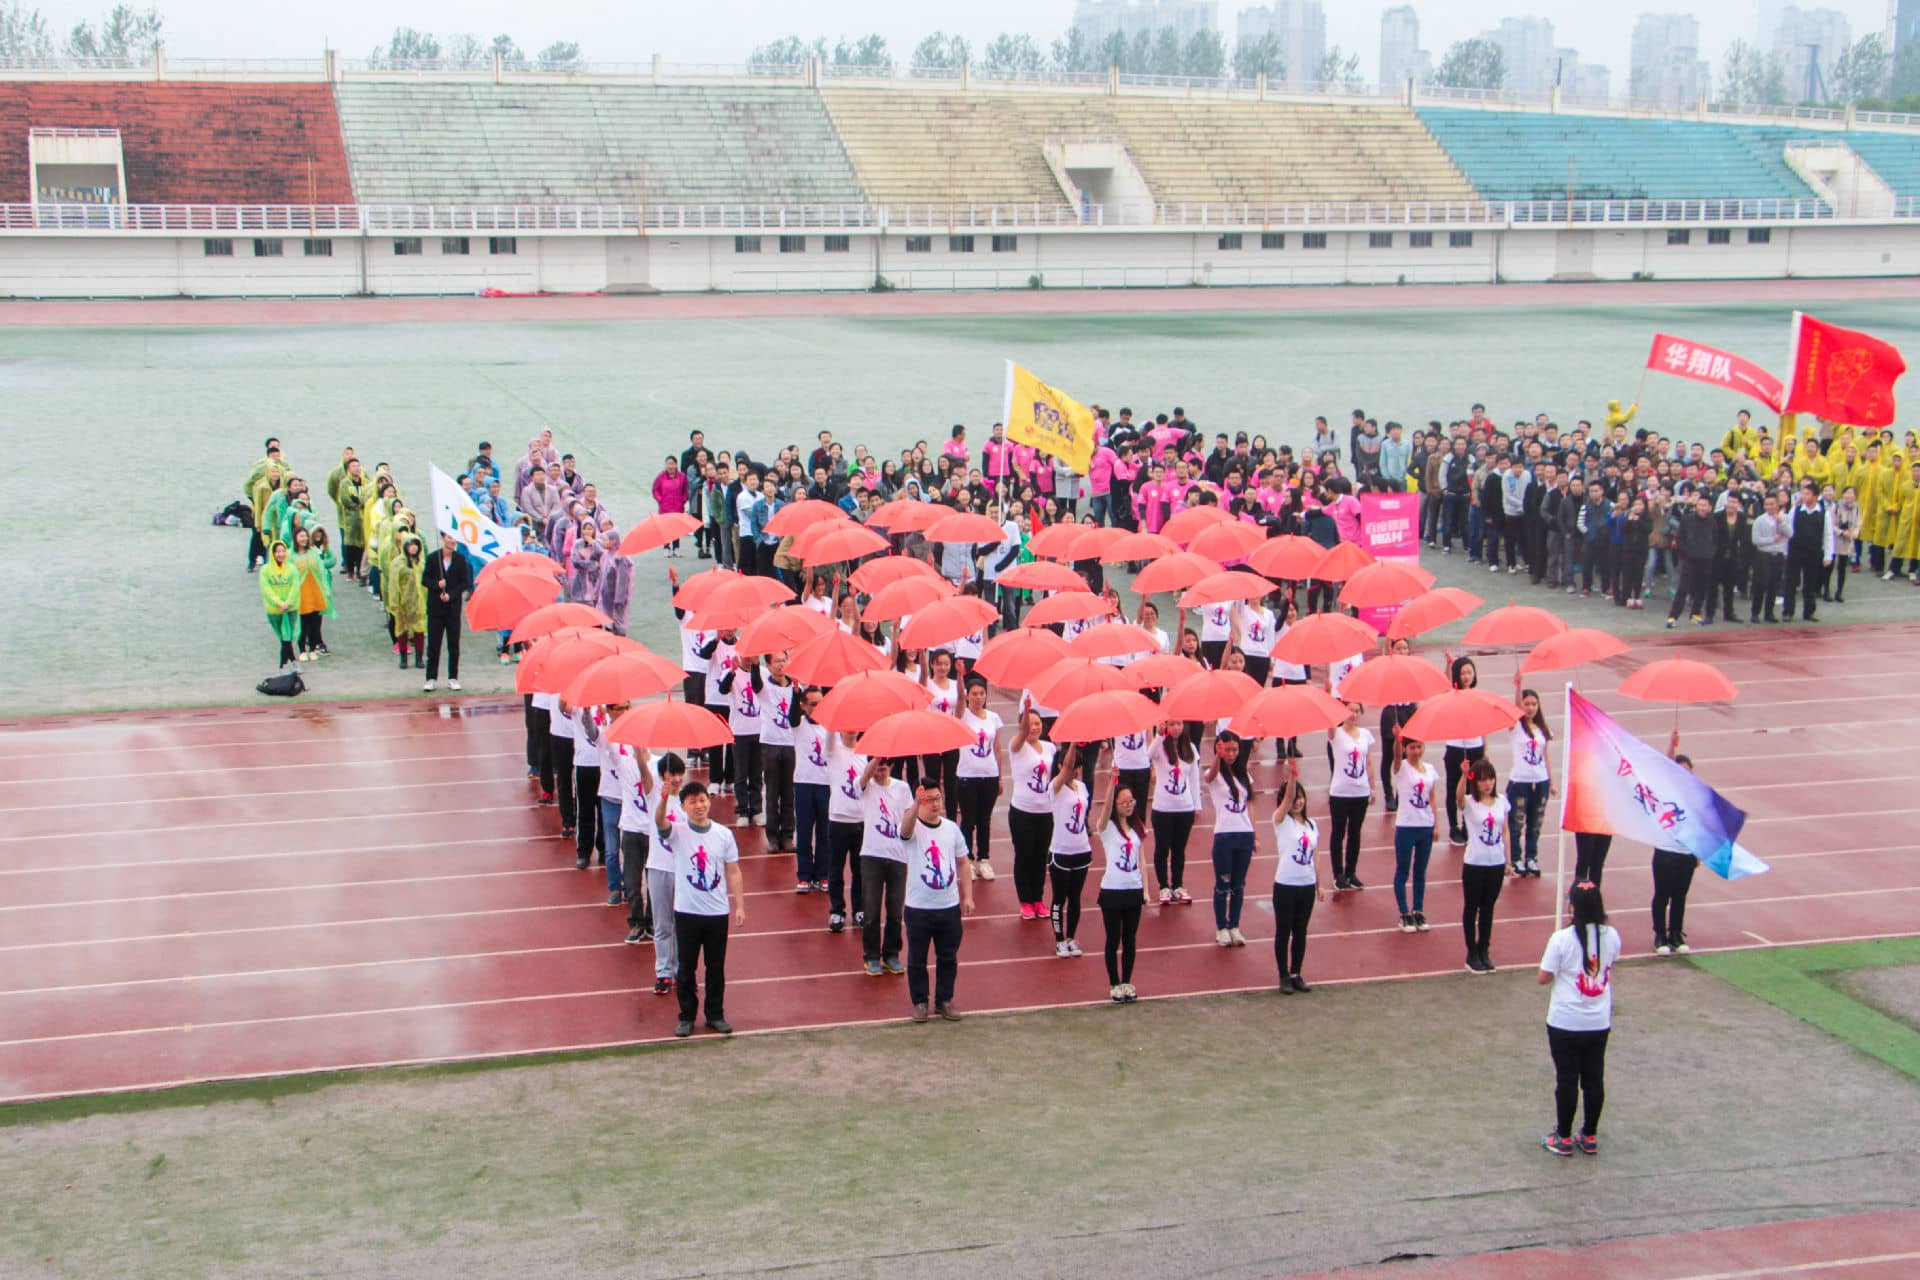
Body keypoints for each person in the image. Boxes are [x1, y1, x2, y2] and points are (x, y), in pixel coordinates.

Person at [653, 780, 745, 1037]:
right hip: (687, 912)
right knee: (686, 968)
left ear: (709, 801)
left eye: (702, 800)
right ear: (683, 806)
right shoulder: (678, 833)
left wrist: (739, 906)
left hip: (717, 913)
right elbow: (660, 822)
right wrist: (662, 798)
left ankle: (715, 1014)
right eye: (692, 802)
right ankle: (687, 1016)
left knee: (716, 967)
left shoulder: (724, 834)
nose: (699, 805)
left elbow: (733, 871)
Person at [1539, 882, 1620, 1157]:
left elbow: (1543, 977)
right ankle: (1590, 1134)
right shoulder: (1611, 936)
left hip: (1565, 1020)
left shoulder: (1561, 939)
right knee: (1594, 1078)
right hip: (1597, 1021)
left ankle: (1562, 1136)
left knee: (1567, 1078)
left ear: (1573, 906)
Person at [898, 776, 976, 1023]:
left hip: (948, 906)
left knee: (948, 957)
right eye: (928, 800)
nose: (934, 804)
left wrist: (968, 896)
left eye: (937, 799)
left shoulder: (951, 828)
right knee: (917, 959)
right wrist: (914, 803)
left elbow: (963, 862)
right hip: (918, 907)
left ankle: (944, 1000)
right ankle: (920, 1001)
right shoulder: (914, 828)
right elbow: (905, 830)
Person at [1093, 761, 1156, 1003]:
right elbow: (1105, 807)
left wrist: (1146, 890)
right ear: (1116, 805)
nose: (1129, 806)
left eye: (1132, 802)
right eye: (1125, 802)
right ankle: (1114, 983)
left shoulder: (1137, 830)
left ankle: (1128, 981)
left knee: (1130, 939)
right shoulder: (1107, 828)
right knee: (1113, 939)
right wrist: (1112, 782)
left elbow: (1142, 861)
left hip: (1133, 890)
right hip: (1112, 891)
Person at [1270, 759, 1326, 994]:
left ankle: (1296, 972)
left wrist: (1319, 885)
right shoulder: (1281, 821)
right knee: (1284, 931)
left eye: (1301, 797)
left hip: (1306, 884)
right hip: (1286, 885)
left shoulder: (1312, 825)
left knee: (1300, 931)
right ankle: (1283, 974)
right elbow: (1286, 800)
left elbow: (1316, 855)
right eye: (1294, 798)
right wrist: (1292, 776)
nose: (1297, 801)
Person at [857, 756, 912, 977]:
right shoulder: (866, 787)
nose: (880, 769)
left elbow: (910, 817)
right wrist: (877, 755)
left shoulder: (903, 788)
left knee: (895, 911)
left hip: (898, 856)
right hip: (872, 855)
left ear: (892, 766)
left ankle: (891, 954)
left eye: (885, 765)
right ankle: (871, 957)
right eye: (877, 765)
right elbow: (864, 777)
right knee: (870, 911)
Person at [1457, 758, 1513, 974]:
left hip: (1496, 862)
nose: (1487, 783)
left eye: (1490, 778)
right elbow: (1458, 799)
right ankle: (1471, 952)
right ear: (1475, 783)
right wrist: (1463, 774)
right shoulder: (1471, 803)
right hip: (1475, 863)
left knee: (1488, 908)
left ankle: (1484, 949)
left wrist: (1508, 860)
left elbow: (1505, 831)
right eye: (1482, 780)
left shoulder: (1502, 801)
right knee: (1472, 907)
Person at [1204, 731, 1256, 948]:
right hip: (1224, 836)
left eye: (1235, 749)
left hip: (1244, 835)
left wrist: (1256, 835)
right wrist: (1218, 756)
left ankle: (1234, 926)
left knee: (1239, 884)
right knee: (1223, 883)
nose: (1232, 754)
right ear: (1220, 748)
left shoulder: (1244, 775)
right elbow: (1209, 776)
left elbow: (1249, 805)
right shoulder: (1214, 774)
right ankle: (1221, 927)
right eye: (1227, 749)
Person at [1651, 729, 1698, 956]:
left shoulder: (1696, 796)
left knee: (1680, 895)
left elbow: (1700, 827)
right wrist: (1671, 745)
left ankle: (1676, 934)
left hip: (1686, 853)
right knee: (1662, 894)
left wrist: (1698, 853)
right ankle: (1660, 935)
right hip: (1665, 851)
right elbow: (1663, 766)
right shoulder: (1665, 791)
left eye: (1688, 772)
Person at [1006, 710, 1057, 921]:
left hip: (1046, 812)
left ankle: (1038, 898)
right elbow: (1020, 738)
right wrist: (1026, 711)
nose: (1034, 728)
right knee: (1024, 856)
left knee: (1040, 857)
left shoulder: (1050, 747)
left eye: (1037, 724)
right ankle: (1025, 901)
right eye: (1029, 724)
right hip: (1022, 812)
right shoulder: (1016, 746)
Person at [954, 677, 1004, 882]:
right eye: (974, 694)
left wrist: (1000, 777)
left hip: (989, 775)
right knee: (968, 821)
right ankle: (967, 860)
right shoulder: (962, 715)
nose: (978, 697)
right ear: (968, 696)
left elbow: (998, 749)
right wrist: (959, 677)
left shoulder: (993, 718)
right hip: (967, 776)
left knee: (985, 820)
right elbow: (958, 699)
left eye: (981, 693)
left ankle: (984, 859)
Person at [1047, 742, 1094, 958]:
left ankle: (1071, 937)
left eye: (1079, 766)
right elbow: (1066, 768)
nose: (1076, 770)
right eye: (1073, 765)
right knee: (1060, 897)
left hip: (1082, 849)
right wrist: (1073, 743)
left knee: (1075, 898)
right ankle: (1059, 939)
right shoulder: (1055, 788)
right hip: (1061, 851)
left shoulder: (1082, 788)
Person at [1391, 734, 1439, 933]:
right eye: (1412, 747)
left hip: (1425, 826)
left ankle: (1418, 910)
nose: (1416, 751)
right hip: (1406, 826)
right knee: (1403, 871)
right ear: (1405, 749)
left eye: (1419, 746)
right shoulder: (1401, 768)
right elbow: (1394, 755)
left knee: (1420, 871)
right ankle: (1404, 913)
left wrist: (1436, 824)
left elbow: (1432, 797)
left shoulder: (1430, 770)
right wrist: (1396, 738)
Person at [1326, 701, 1374, 891]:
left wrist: (1373, 786)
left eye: (1356, 710)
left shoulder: (1365, 735)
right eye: (1349, 710)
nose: (1353, 714)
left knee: (1355, 832)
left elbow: (1368, 761)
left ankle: (1351, 872)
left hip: (1360, 791)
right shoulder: (1336, 734)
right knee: (1338, 832)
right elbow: (1330, 727)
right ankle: (1338, 874)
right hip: (1340, 792)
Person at [1151, 717, 1199, 906]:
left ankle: (1178, 885)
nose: (1176, 727)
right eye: (1172, 724)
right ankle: (1164, 886)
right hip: (1163, 808)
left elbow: (1194, 779)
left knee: (1179, 849)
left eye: (1179, 724)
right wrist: (1159, 735)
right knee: (1162, 849)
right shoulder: (1160, 746)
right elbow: (1149, 755)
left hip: (1184, 808)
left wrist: (1197, 806)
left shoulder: (1190, 749)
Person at [791, 686, 833, 897]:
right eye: (813, 704)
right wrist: (794, 690)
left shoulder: (831, 727)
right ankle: (804, 876)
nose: (818, 708)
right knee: (805, 831)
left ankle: (823, 874)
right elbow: (791, 714)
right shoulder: (798, 725)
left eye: (821, 703)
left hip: (826, 785)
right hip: (804, 784)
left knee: (825, 833)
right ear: (803, 707)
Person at [1441, 656, 1486, 845]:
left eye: (1469, 672)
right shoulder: (1452, 694)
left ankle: (1468, 824)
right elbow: (1444, 686)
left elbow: (1485, 724)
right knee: (1453, 788)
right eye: (1462, 672)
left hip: (1476, 746)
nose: (1466, 676)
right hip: (1455, 748)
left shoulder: (1479, 696)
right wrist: (1448, 666)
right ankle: (1453, 827)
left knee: (1472, 789)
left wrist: (1485, 749)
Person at [1507, 690, 1551, 877]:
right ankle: (1516, 858)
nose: (1531, 708)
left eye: (1534, 704)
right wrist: (1518, 686)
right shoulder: (1516, 727)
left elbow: (1545, 756)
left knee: (1535, 824)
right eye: (1527, 704)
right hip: (1520, 782)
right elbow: (1515, 708)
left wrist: (1552, 780)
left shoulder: (1541, 730)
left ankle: (1531, 858)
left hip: (1540, 782)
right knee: (1517, 823)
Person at [421, 531, 471, 693]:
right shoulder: (432, 558)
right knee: (434, 645)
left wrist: (451, 595)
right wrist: (437, 584)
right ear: (443, 538)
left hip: (453, 609)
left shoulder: (460, 560)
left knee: (453, 644)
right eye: (449, 537)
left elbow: (464, 583)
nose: (452, 541)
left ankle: (453, 677)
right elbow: (425, 580)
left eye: (454, 538)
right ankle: (431, 678)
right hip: (435, 609)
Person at [258, 540, 302, 669]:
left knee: (286, 638)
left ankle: (283, 666)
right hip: (274, 610)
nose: (281, 554)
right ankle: (293, 662)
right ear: (272, 553)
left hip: (290, 609)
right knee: (284, 638)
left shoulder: (292, 568)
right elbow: (266, 589)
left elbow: (295, 587)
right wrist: (279, 603)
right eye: (277, 551)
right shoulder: (265, 570)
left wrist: (288, 603)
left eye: (283, 551)